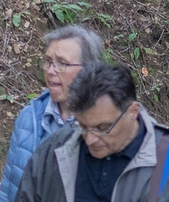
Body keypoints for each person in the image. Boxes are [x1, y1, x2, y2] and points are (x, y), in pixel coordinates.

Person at [15, 62, 169, 202]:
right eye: (82, 126)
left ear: (132, 111)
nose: (90, 139)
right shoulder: (56, 149)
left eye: (103, 128)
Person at [1, 25, 104, 202]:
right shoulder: (29, 117)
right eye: (48, 61)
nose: (50, 71)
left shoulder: (108, 129)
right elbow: (8, 187)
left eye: (62, 63)